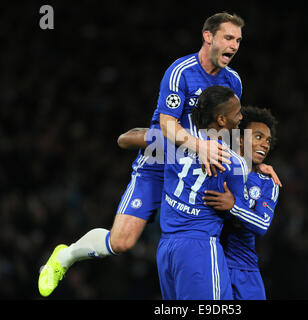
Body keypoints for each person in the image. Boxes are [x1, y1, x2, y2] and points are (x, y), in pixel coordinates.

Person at [38, 12, 246, 297]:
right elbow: (166, 124)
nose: (234, 45)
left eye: (237, 40)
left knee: (205, 239)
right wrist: (198, 146)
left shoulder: (233, 81)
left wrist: (256, 165)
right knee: (122, 241)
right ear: (208, 37)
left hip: (195, 169)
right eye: (228, 37)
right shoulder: (180, 72)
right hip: (160, 160)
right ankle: (66, 256)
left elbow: (228, 129)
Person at [156, 85, 271, 300]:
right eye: (237, 113)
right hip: (200, 248)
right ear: (221, 120)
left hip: (166, 249)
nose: (240, 117)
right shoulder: (234, 163)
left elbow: (125, 138)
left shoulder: (172, 142)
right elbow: (237, 219)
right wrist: (255, 175)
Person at [202, 106, 279, 300]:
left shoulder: (268, 182)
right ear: (240, 138)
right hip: (212, 263)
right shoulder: (218, 165)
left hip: (246, 271)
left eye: (268, 140)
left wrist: (234, 207)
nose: (265, 144)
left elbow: (262, 225)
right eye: (258, 137)